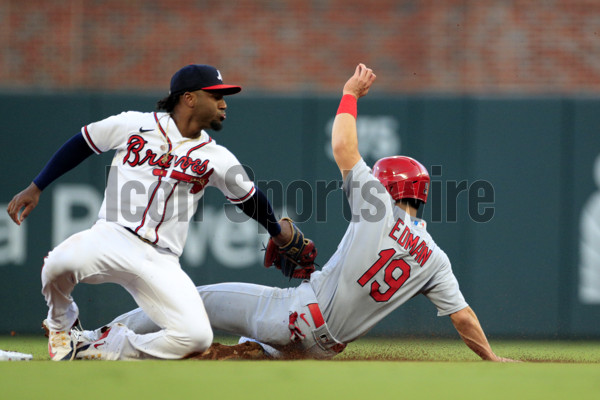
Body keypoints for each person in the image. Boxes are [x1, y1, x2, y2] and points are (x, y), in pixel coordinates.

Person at [76, 64, 516, 362]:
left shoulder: (378, 208)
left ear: (388, 186)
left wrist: (349, 95)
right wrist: (492, 359)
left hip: (293, 313)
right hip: (320, 348)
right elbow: (463, 318)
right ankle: (246, 351)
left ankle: (98, 339)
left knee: (193, 300)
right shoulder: (435, 259)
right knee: (244, 348)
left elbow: (344, 147)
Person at [6, 64, 300, 361]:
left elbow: (250, 199)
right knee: (57, 264)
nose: (224, 104)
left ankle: (104, 346)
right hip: (112, 236)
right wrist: (36, 186)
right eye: (216, 96)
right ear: (189, 98)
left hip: (161, 260)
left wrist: (277, 232)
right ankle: (63, 328)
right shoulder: (134, 124)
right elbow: (83, 141)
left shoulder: (217, 157)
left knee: (195, 338)